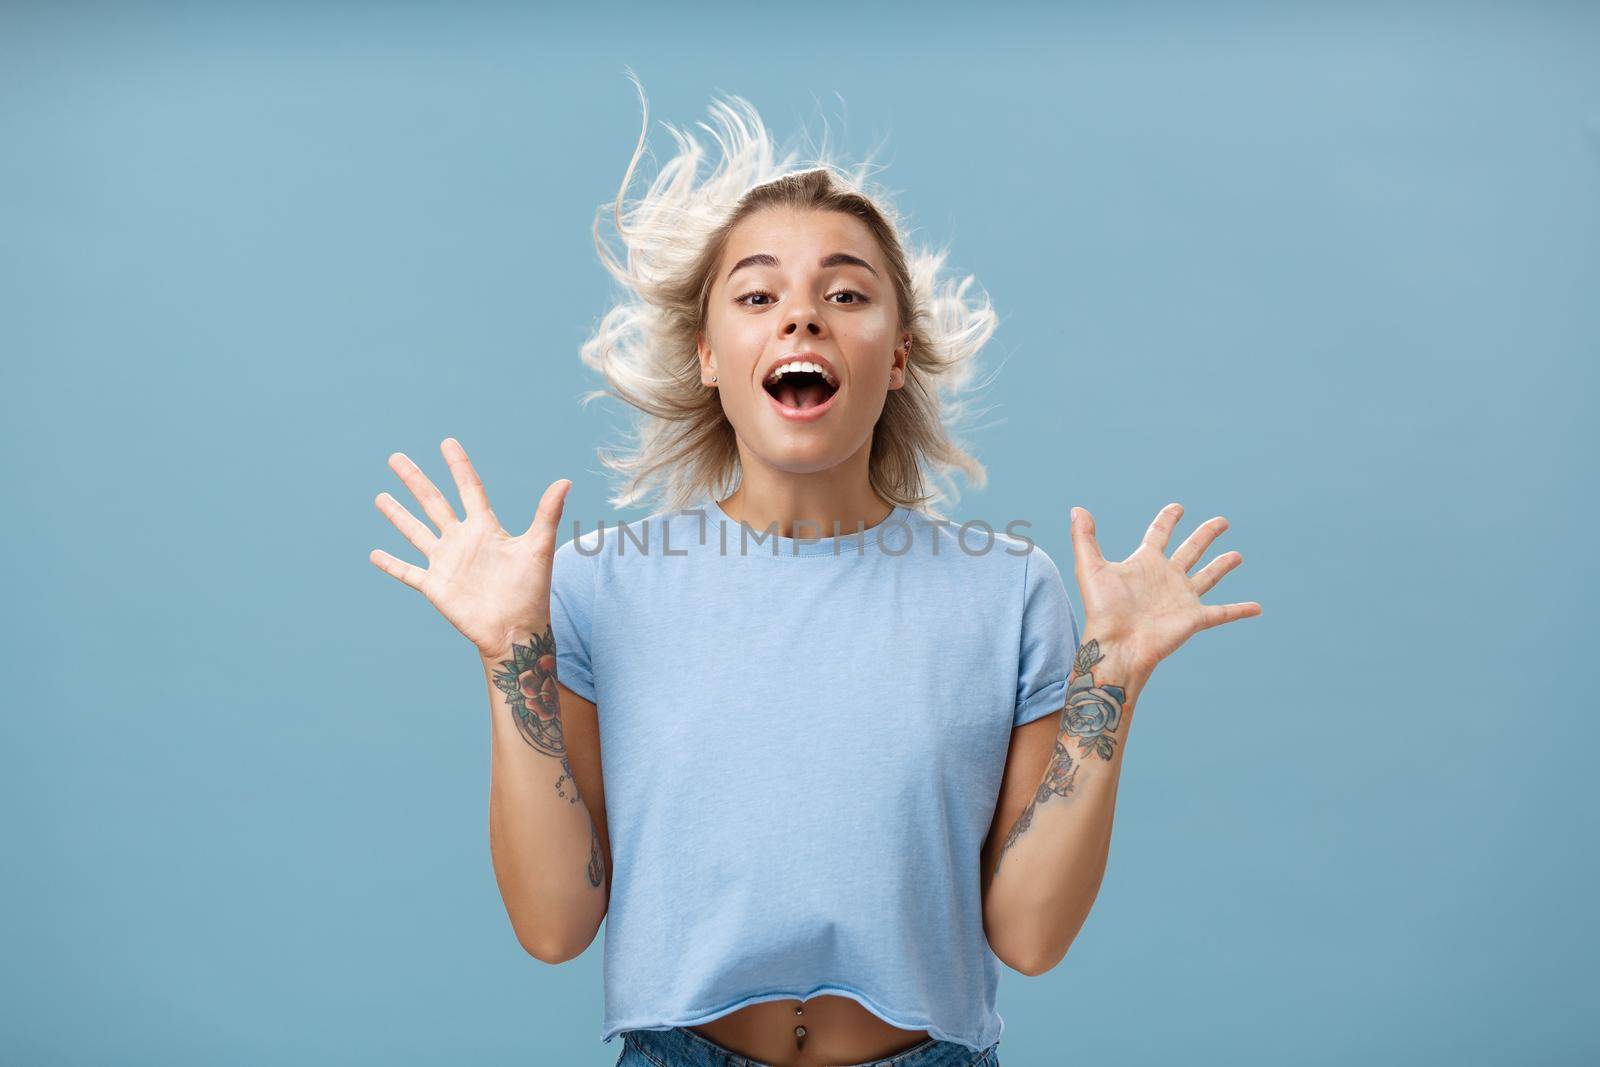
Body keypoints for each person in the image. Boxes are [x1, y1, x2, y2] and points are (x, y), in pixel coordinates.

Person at [368, 81, 1260, 1067]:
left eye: (845, 292)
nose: (802, 317)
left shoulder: (1009, 590)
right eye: (757, 295)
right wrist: (511, 651)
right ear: (710, 354)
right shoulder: (593, 587)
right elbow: (552, 923)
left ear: (897, 355)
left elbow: (1031, 935)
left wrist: (1114, 676)